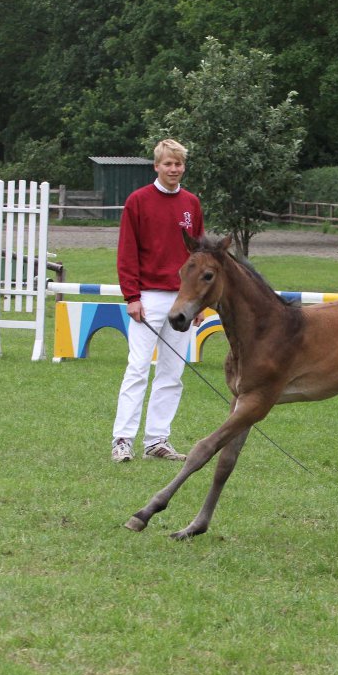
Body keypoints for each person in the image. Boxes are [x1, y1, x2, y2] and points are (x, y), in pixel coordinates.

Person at [111, 138, 204, 463]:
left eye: (179, 164)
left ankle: (157, 440)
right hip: (147, 299)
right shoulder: (137, 202)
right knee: (137, 368)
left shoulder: (192, 203)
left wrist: (198, 305)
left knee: (172, 371)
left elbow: (201, 258)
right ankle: (122, 439)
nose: (174, 169)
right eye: (168, 164)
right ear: (157, 166)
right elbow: (127, 252)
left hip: (183, 299)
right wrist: (132, 296)